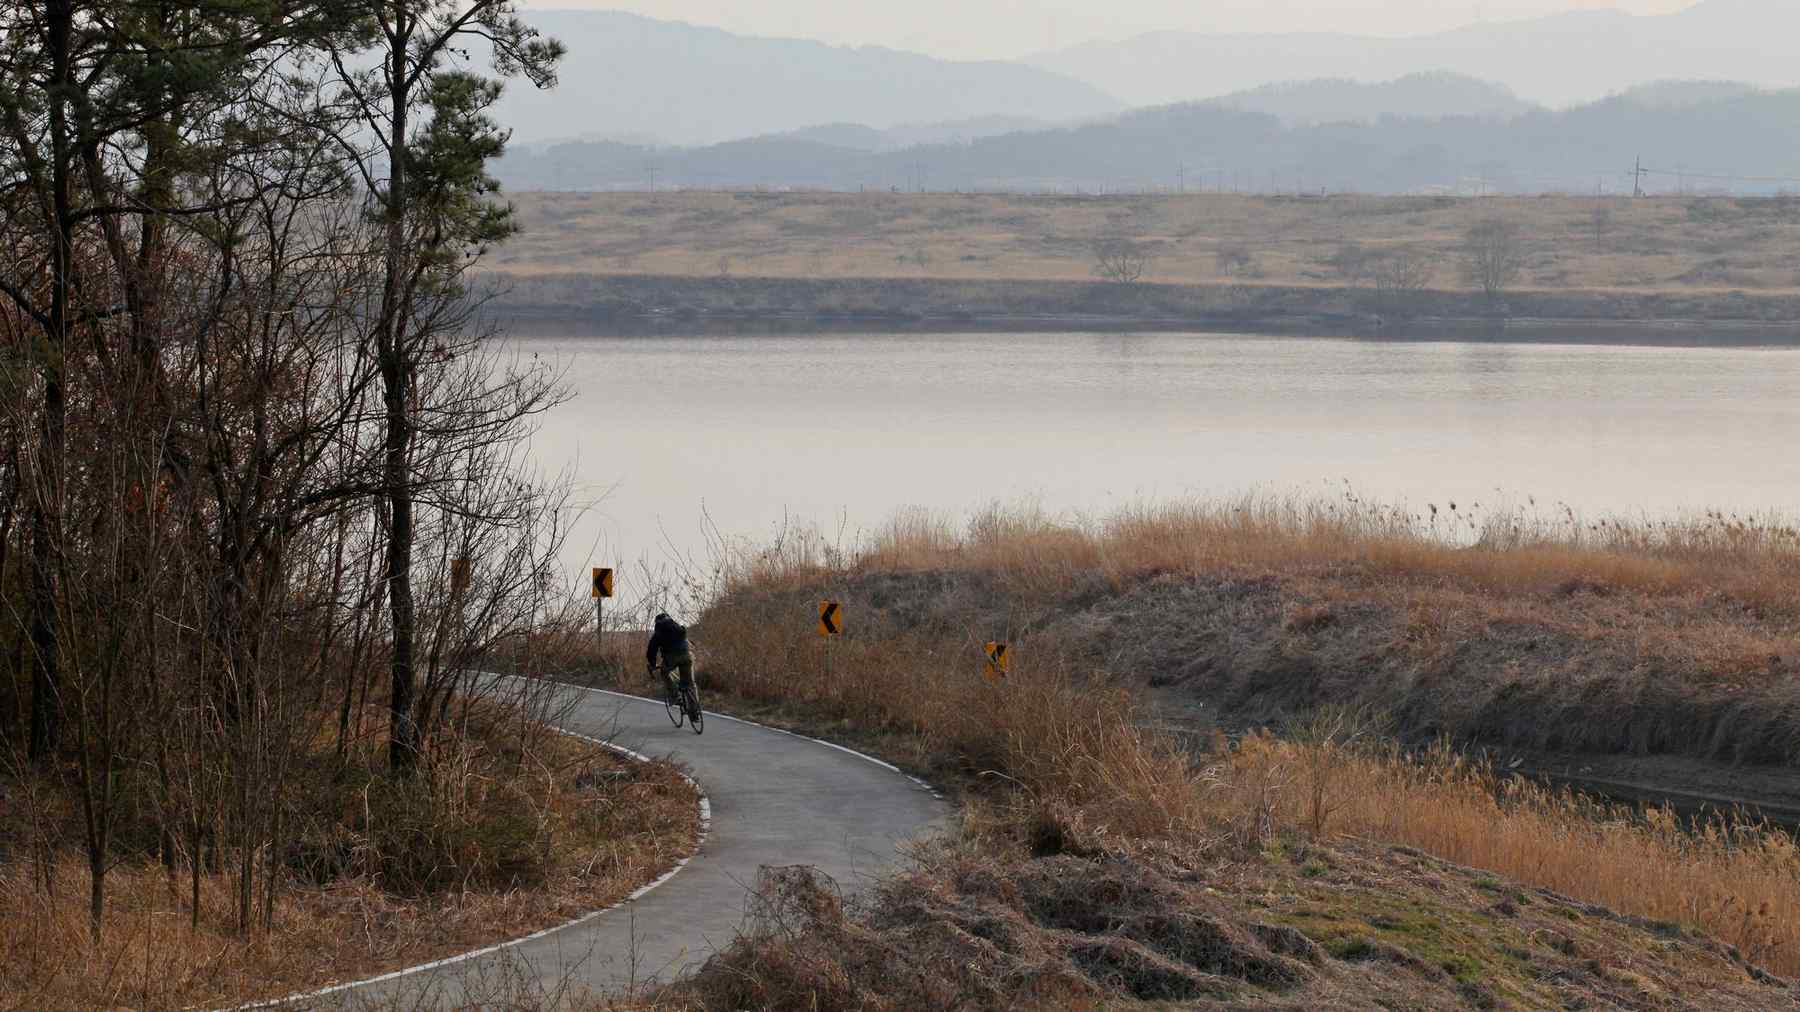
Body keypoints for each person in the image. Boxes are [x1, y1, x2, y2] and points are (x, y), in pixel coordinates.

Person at [645, 611, 694, 697]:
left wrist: (653, 664)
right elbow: (685, 636)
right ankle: (694, 703)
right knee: (689, 683)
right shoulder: (677, 627)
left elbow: (651, 650)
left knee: (664, 672)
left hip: (671, 659)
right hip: (686, 655)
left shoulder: (658, 632)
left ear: (657, 623)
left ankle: (675, 695)